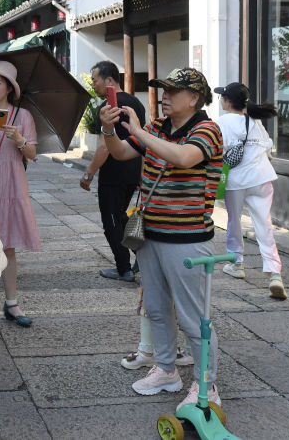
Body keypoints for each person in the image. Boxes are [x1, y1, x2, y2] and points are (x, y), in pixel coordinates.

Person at [99, 67, 224, 411]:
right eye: (163, 90)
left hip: (188, 238)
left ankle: (207, 385)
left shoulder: (207, 130)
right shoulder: (156, 127)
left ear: (194, 98)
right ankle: (166, 370)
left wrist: (139, 130)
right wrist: (108, 129)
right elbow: (121, 152)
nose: (164, 96)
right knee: (155, 308)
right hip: (150, 234)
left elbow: (183, 157)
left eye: (172, 91)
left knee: (192, 317)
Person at [215, 82, 286, 299]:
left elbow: (217, 150)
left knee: (234, 221)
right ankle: (274, 273)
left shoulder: (221, 123)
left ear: (227, 101)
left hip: (236, 181)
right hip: (262, 178)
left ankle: (236, 263)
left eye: (222, 96)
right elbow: (267, 149)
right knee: (264, 224)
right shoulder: (254, 121)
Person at [0, 60, 40, 327]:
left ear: (9, 88)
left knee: (8, 245)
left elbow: (32, 153)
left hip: (11, 184)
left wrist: (19, 139)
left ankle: (12, 303)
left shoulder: (22, 116)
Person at [79, 60, 145, 282]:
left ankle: (124, 268)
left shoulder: (107, 107)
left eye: (95, 80)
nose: (93, 85)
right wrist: (141, 173)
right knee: (121, 217)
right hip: (132, 171)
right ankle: (140, 255)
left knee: (111, 222)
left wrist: (89, 173)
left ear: (109, 80)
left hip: (113, 174)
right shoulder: (136, 103)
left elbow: (104, 146)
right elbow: (142, 140)